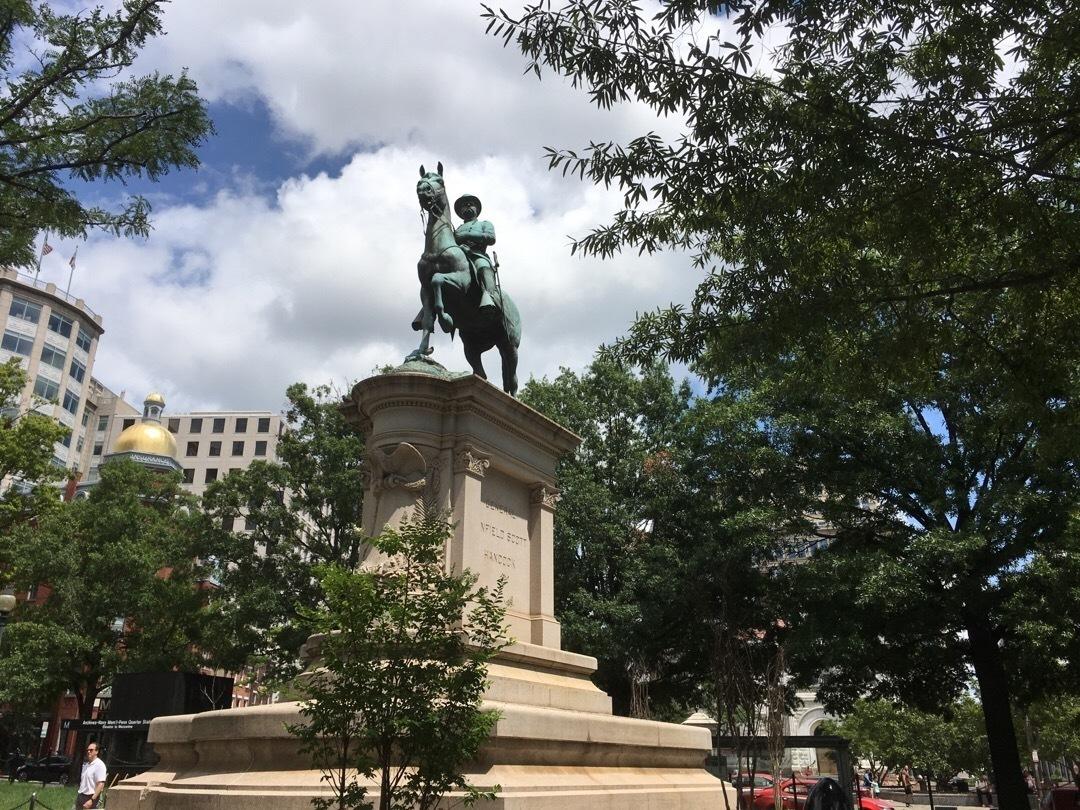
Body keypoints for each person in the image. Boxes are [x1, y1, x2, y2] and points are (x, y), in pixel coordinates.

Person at [452, 194, 498, 312]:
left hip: (477, 255)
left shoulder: (484, 224)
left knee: (482, 266)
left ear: (477, 209)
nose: (467, 206)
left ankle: (489, 297)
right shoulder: (456, 229)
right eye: (464, 205)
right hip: (457, 256)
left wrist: (467, 235)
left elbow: (491, 238)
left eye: (471, 204)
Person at [76, 743, 106, 809]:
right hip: (81, 795)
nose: (88, 751)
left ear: (96, 752)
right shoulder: (86, 765)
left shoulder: (100, 765)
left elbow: (101, 784)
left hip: (91, 798)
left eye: (91, 750)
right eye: (88, 750)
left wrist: (91, 800)